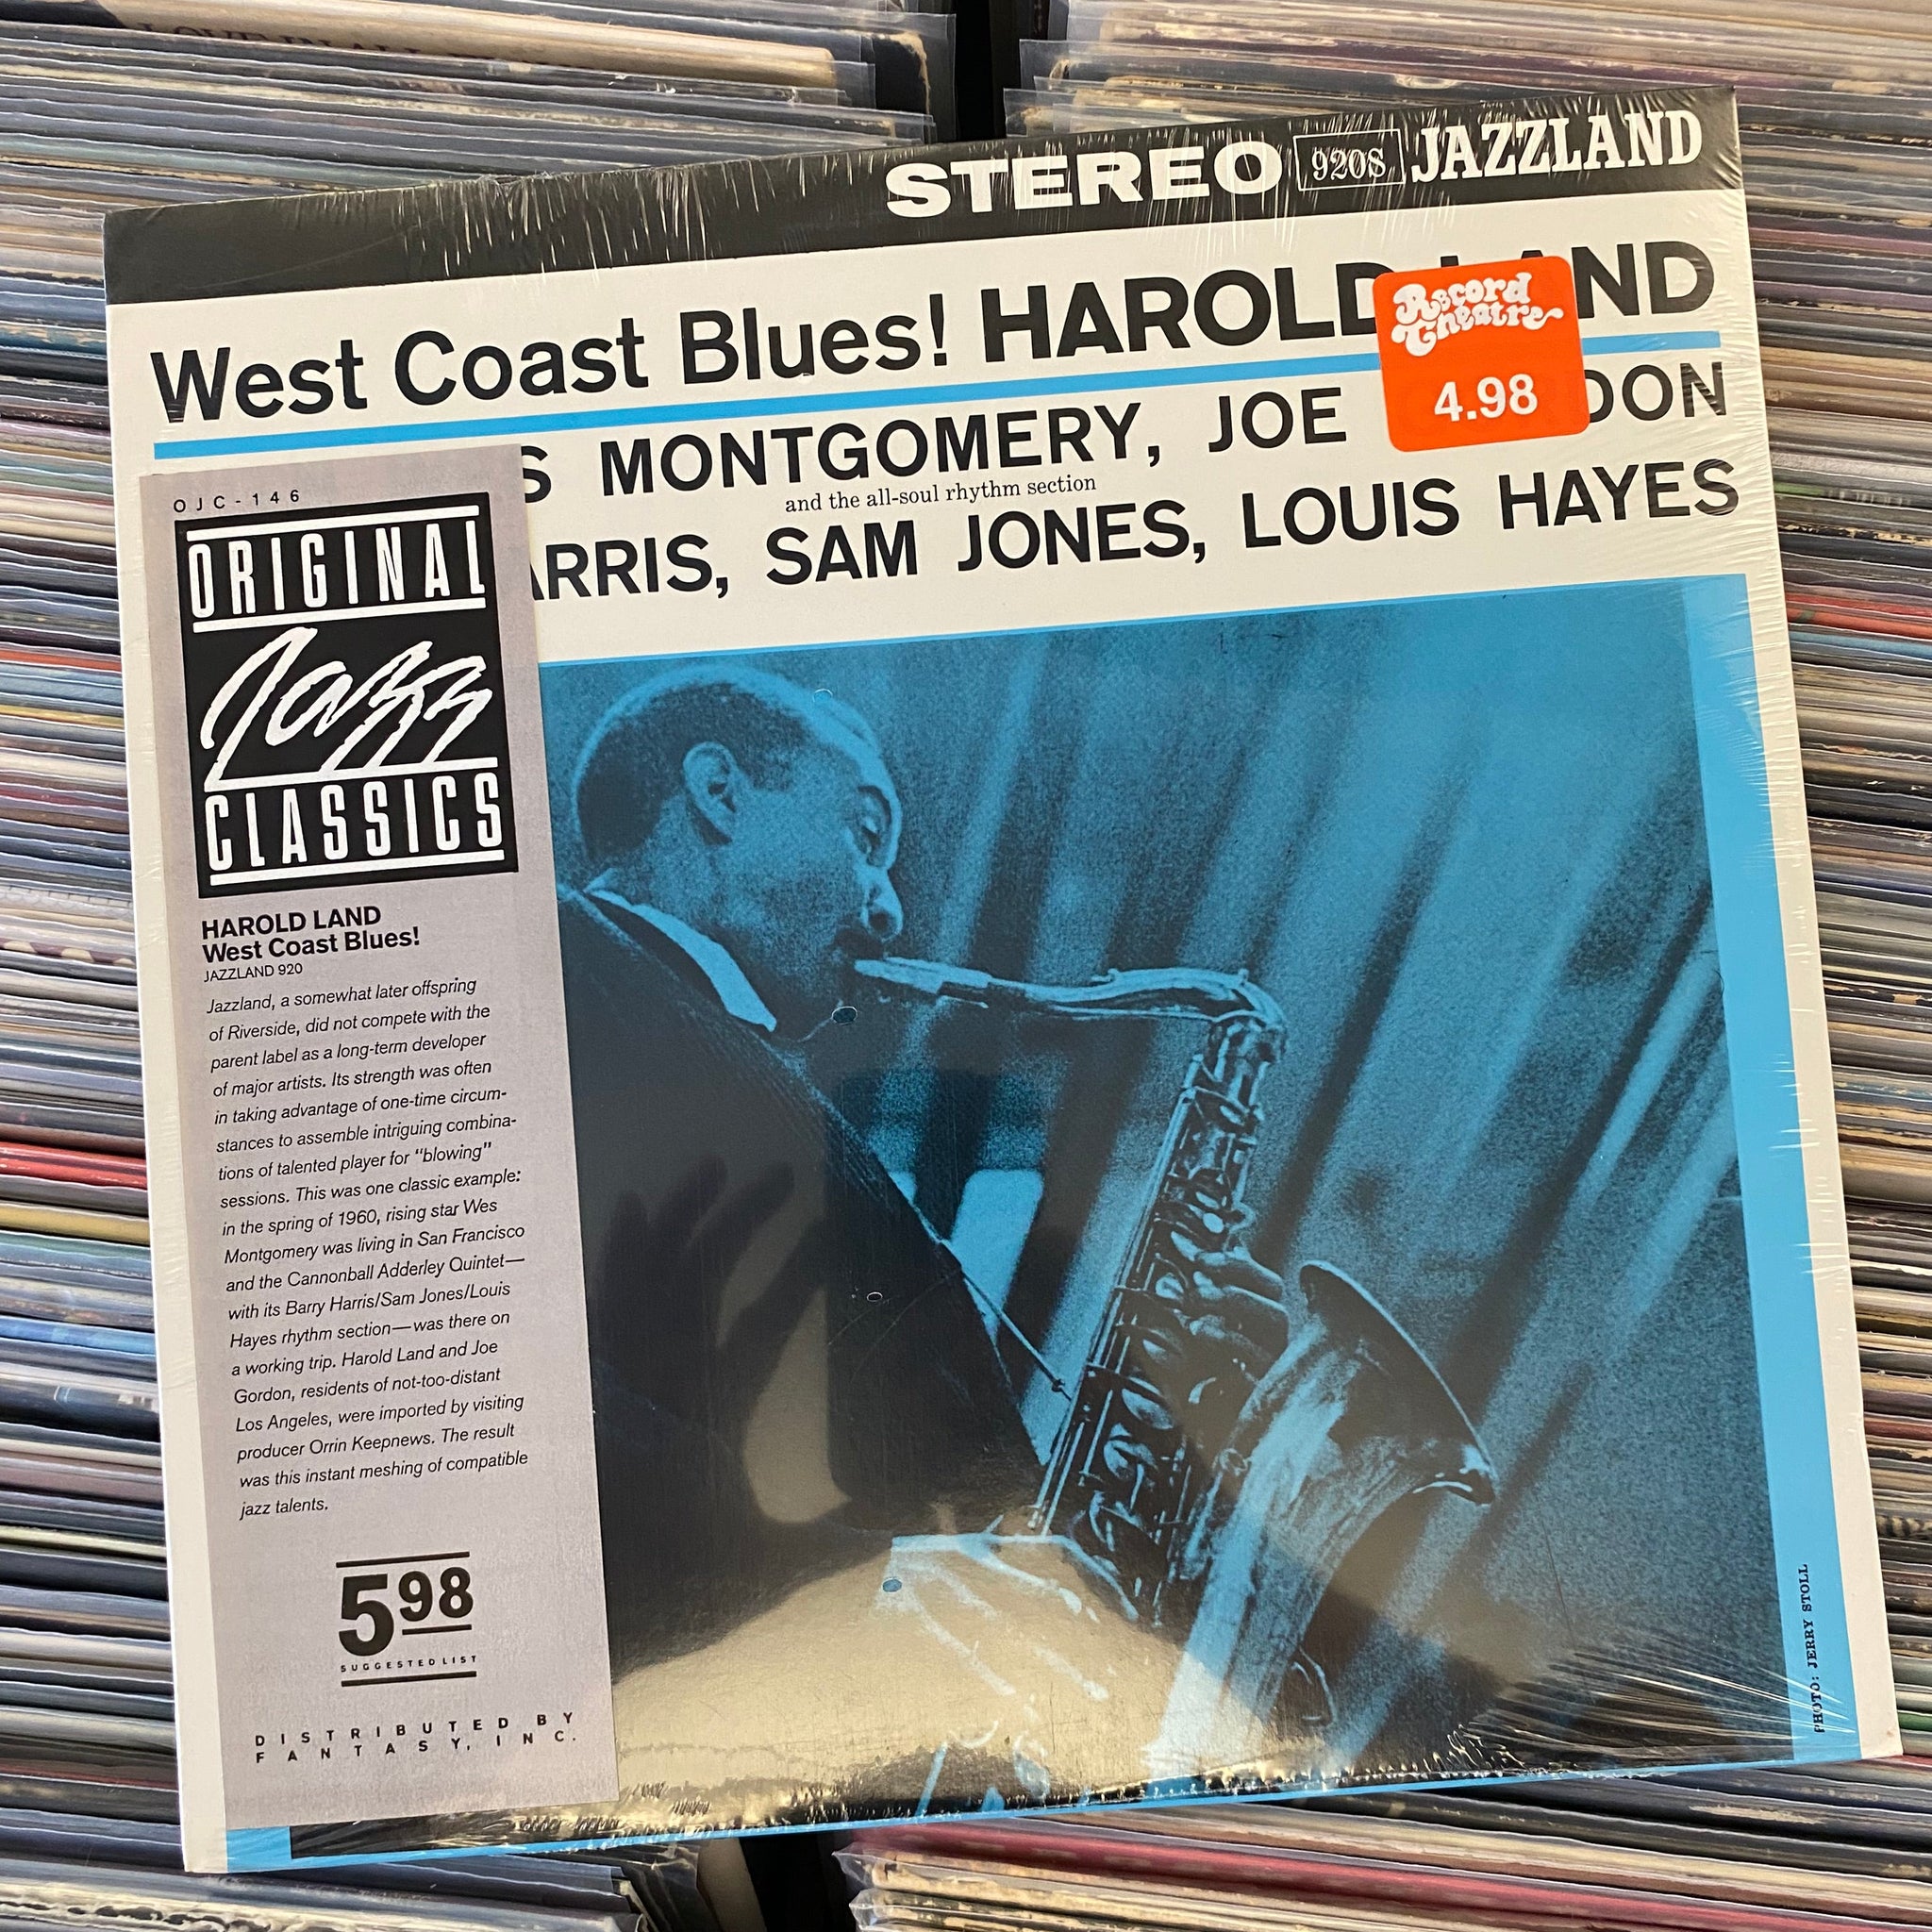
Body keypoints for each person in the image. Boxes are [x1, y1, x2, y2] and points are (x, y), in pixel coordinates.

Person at [557, 667, 1043, 1677]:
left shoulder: (672, 1020)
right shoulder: (555, 957)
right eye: (864, 835)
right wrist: (864, 1587)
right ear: (719, 793)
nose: (889, 910)